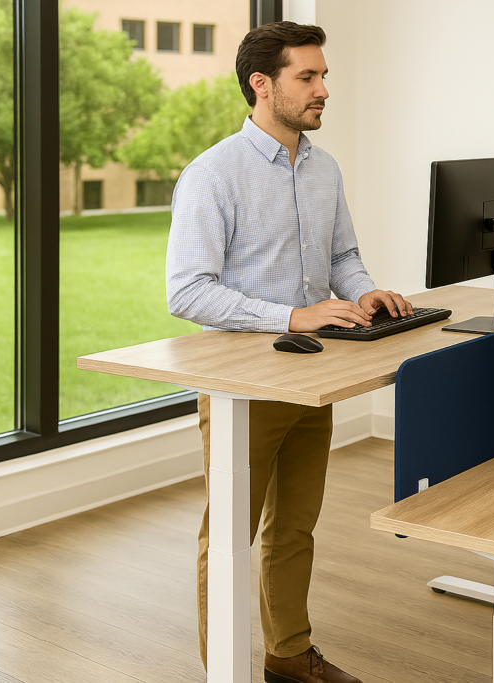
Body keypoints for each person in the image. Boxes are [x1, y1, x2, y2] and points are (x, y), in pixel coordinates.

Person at [166, 21, 410, 683]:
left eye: (323, 75)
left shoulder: (323, 168)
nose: (324, 89)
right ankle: (224, 672)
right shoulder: (213, 174)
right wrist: (292, 314)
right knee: (230, 539)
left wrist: (366, 294)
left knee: (294, 526)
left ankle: (288, 653)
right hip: (246, 384)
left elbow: (343, 258)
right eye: (309, 77)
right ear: (261, 84)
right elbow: (187, 290)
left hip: (314, 379)